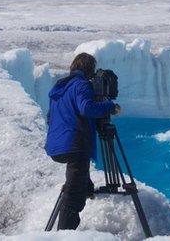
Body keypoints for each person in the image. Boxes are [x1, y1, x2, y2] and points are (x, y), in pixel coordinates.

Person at [44, 53, 120, 230]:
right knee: (73, 199)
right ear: (89, 70)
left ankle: (85, 185)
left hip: (56, 146)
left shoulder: (60, 87)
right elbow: (87, 108)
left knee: (78, 180)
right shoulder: (81, 84)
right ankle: (63, 235)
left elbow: (50, 117)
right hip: (74, 146)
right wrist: (110, 106)